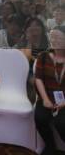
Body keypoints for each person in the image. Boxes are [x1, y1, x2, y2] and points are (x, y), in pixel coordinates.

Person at [34, 26, 65, 155]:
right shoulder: (43, 56)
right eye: (52, 36)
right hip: (47, 96)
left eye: (58, 37)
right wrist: (45, 99)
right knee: (40, 118)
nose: (54, 40)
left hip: (64, 100)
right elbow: (38, 79)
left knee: (61, 123)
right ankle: (50, 146)